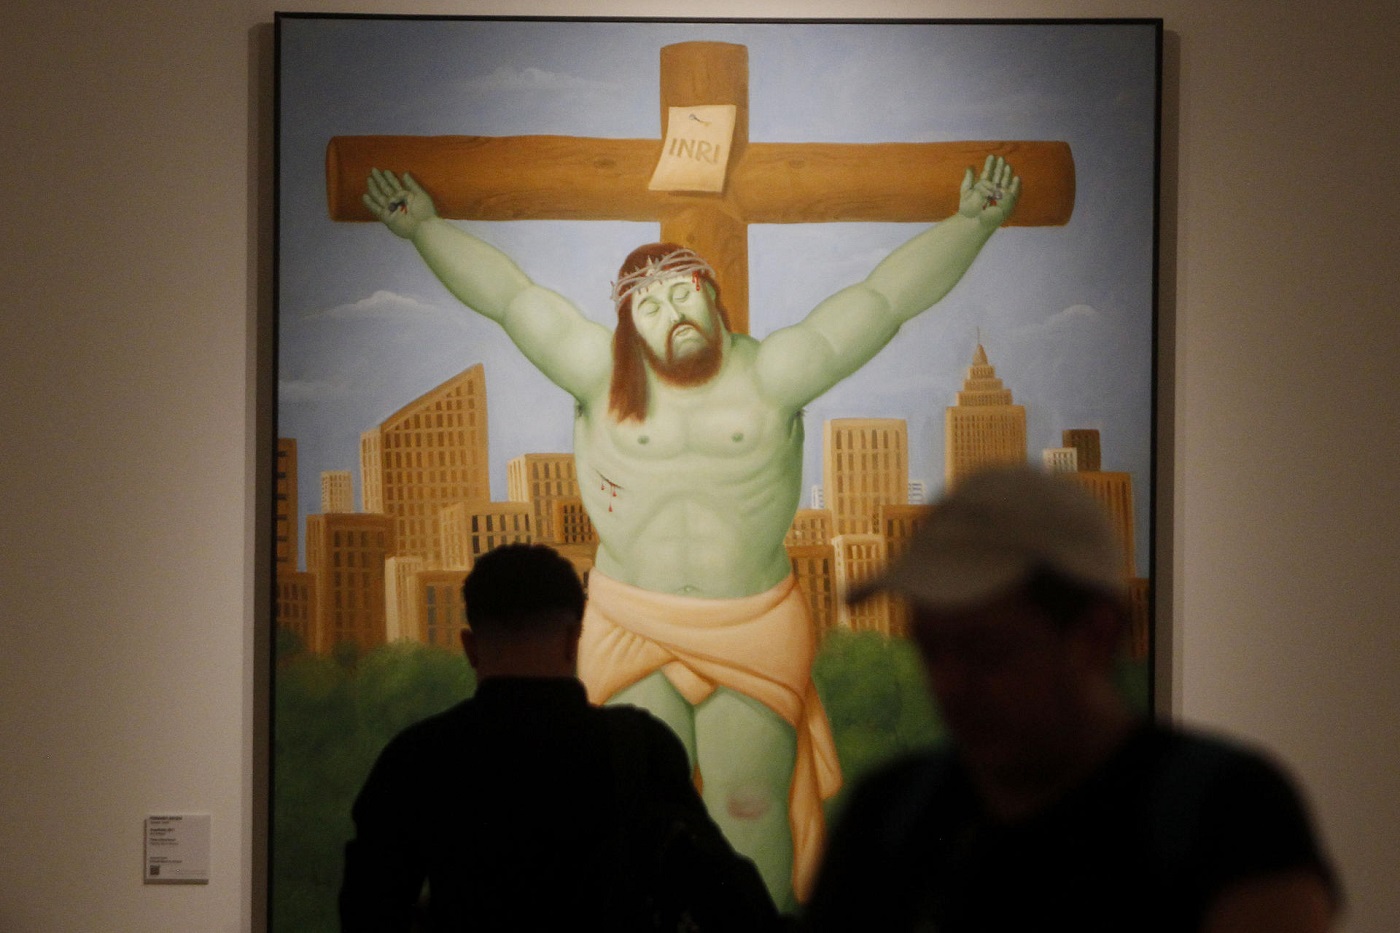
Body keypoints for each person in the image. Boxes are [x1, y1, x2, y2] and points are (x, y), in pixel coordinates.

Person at [362, 155, 1020, 908]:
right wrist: (425, 230)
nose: (670, 311)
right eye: (649, 304)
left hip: (751, 619)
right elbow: (512, 299)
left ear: (714, 299)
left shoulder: (777, 372)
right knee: (625, 814)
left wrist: (971, 224)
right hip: (631, 615)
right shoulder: (593, 374)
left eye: (684, 292)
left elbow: (882, 301)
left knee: (749, 805)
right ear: (626, 323)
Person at [802, 465, 1340, 932]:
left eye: (986, 651)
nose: (948, 682)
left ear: (1094, 635)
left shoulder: (1231, 813)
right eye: (931, 648)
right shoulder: (889, 813)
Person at [339, 543, 778, 932]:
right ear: (573, 640)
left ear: (471, 647)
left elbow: (368, 911)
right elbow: (732, 904)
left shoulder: (417, 759)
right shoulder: (641, 749)